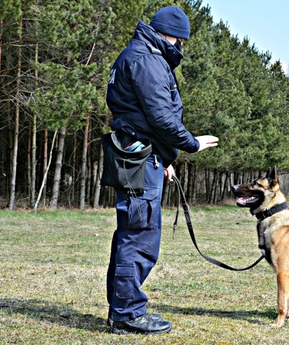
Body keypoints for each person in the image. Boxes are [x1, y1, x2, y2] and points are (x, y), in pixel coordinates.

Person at [105, 6, 218, 335]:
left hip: (142, 156)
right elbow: (161, 118)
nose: (180, 48)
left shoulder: (141, 54)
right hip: (139, 159)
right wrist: (191, 143)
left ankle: (122, 310)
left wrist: (164, 159)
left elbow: (143, 117)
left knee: (132, 233)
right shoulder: (147, 60)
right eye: (180, 41)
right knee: (138, 237)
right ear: (169, 35)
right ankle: (127, 314)